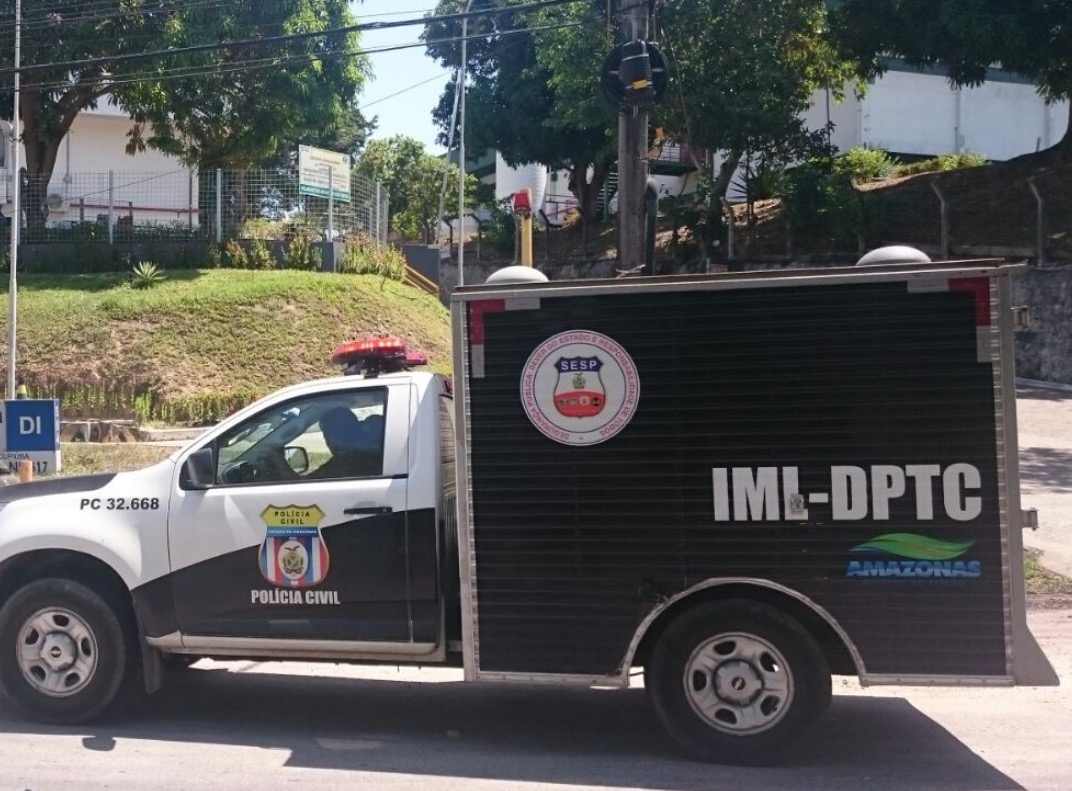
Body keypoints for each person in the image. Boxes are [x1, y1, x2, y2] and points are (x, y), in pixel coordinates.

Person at [308, 406, 383, 479]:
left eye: (326, 435)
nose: (327, 441)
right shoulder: (375, 456)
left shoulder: (344, 463)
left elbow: (310, 482)